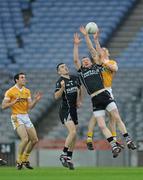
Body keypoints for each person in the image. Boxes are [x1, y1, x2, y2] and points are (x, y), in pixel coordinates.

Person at [73, 31, 136, 158]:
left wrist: (89, 38)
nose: (85, 61)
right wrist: (76, 45)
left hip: (104, 94)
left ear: (92, 61)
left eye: (87, 60)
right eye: (83, 61)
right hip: (94, 99)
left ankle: (128, 139)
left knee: (116, 117)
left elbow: (93, 50)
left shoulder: (96, 66)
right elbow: (75, 59)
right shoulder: (81, 71)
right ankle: (114, 145)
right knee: (101, 125)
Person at [80, 28, 124, 150]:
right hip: (98, 90)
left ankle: (113, 140)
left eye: (104, 51)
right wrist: (90, 38)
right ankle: (90, 138)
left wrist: (105, 61)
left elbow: (114, 68)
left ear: (107, 53)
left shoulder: (110, 62)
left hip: (107, 90)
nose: (102, 53)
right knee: (97, 117)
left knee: (111, 117)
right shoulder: (98, 63)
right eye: (101, 52)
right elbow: (94, 50)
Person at [2, 72, 42, 170]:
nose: (24, 79)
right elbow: (3, 106)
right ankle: (18, 160)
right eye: (22, 77)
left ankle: (25, 159)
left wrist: (36, 100)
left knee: (35, 140)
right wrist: (13, 102)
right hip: (16, 116)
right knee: (25, 139)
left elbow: (30, 107)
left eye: (24, 77)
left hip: (25, 116)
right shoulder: (10, 91)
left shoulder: (27, 91)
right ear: (17, 80)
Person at [54, 63, 83, 170]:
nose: (65, 67)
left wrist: (79, 100)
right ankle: (63, 154)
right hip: (65, 110)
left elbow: (80, 89)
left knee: (74, 136)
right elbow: (56, 96)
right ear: (59, 72)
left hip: (73, 110)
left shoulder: (75, 78)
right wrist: (62, 88)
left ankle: (69, 158)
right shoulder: (59, 82)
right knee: (73, 132)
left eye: (65, 66)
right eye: (61, 67)